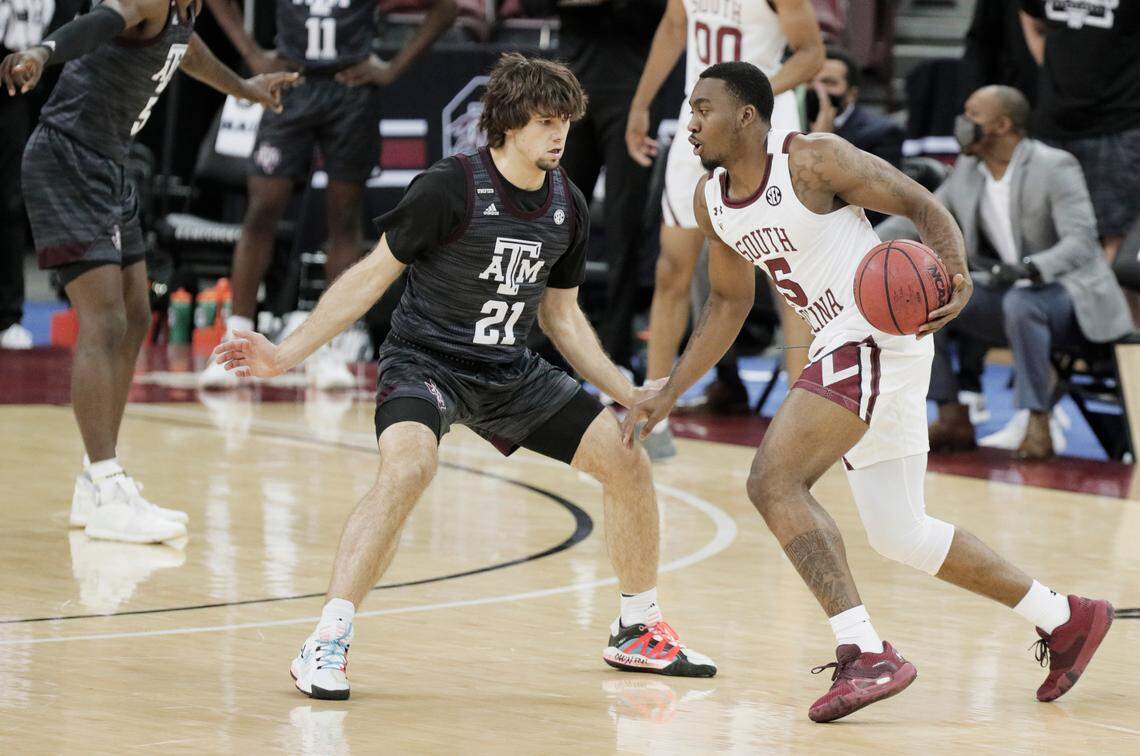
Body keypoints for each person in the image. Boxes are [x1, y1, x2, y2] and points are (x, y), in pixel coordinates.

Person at [210, 54, 717, 701]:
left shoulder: (566, 202)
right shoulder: (450, 187)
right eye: (546, 121)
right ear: (509, 123)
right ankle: (327, 638)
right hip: (425, 363)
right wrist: (285, 355)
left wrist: (626, 393)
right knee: (408, 468)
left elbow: (561, 317)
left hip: (508, 372)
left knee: (627, 460)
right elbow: (370, 276)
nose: (560, 134)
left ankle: (637, 628)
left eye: (565, 121)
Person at [624, 62, 1114, 723]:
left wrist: (956, 272)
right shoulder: (712, 202)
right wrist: (670, 391)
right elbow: (729, 305)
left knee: (773, 480)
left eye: (703, 109)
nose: (691, 124)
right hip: (842, 342)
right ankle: (1065, 618)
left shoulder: (813, 160)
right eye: (690, 111)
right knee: (901, 533)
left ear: (747, 115)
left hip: (875, 330)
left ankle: (865, 652)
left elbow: (921, 203)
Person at [0, 0, 297, 543]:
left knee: (137, 315)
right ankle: (106, 480)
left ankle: (95, 484)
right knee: (106, 322)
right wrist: (43, 51)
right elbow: (99, 23)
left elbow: (187, 51)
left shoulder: (184, 9)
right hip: (68, 158)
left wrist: (245, 88)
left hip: (108, 163)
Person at [197, 0, 457, 388]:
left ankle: (332, 348)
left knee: (344, 220)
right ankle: (234, 342)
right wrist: (251, 52)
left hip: (349, 89)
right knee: (261, 211)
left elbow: (445, 8)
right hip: (292, 84)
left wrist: (392, 68)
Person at [878, 85, 1132, 459]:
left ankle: (1038, 421)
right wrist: (867, 243)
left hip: (1073, 296)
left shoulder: (1054, 165)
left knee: (1022, 302)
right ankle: (951, 414)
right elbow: (926, 217)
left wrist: (1030, 269)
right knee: (929, 298)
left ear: (1001, 125)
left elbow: (1081, 242)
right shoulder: (968, 168)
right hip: (1010, 293)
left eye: (973, 115)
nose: (962, 122)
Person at [626, 0, 824, 459]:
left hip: (762, 129)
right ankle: (652, 416)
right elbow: (674, 27)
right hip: (697, 126)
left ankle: (798, 431)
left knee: (789, 280)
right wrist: (640, 104)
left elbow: (811, 53)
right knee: (671, 268)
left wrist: (748, 98)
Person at [521, 0, 665, 373]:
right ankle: (546, 348)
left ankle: (616, 354)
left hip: (633, 92)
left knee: (625, 228)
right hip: (569, 91)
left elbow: (661, 11)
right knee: (556, 220)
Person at [1020, 0, 1140, 260]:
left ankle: (1102, 288)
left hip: (1117, 123)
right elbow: (1029, 14)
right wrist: (1046, 62)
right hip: (1053, 121)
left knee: (1114, 231)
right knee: (1041, 226)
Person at [0, 0, 83, 349]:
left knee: (9, 201)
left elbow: (70, 19)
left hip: (17, 83)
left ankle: (7, 316)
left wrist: (38, 57)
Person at [807, 46, 902, 169]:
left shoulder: (882, 134)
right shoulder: (790, 120)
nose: (817, 89)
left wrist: (821, 141)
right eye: (809, 81)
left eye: (829, 82)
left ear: (852, 94)